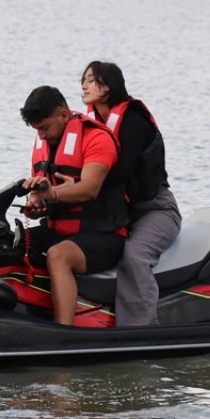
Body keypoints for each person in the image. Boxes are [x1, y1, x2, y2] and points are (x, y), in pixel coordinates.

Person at [80, 61, 181, 326]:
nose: (84, 85)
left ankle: (141, 329)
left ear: (109, 85)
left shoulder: (133, 120)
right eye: (84, 80)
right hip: (118, 213)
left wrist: (80, 186)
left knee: (134, 257)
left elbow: (122, 171)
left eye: (91, 79)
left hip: (155, 209)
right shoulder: (92, 125)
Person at [19, 86, 130, 325]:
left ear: (62, 114)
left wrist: (52, 195)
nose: (41, 136)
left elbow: (90, 188)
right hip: (61, 231)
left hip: (105, 235)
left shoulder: (96, 138)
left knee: (59, 256)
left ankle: (64, 330)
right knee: (12, 241)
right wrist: (35, 202)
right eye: (37, 130)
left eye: (44, 128)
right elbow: (43, 192)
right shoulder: (45, 144)